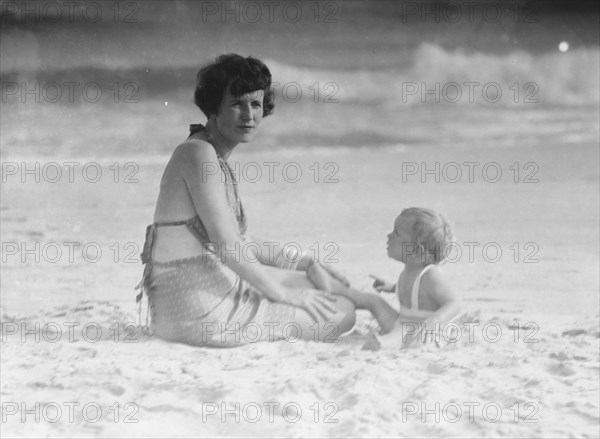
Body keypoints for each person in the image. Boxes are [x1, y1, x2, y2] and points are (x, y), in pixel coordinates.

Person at [136, 54, 355, 347]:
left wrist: (305, 261)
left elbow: (239, 240)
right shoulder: (198, 155)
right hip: (201, 316)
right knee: (343, 312)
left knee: (327, 288)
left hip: (198, 300)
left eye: (255, 104)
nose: (249, 115)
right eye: (236, 103)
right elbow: (228, 246)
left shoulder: (208, 153)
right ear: (214, 108)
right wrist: (283, 294)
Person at [307, 207, 460, 348]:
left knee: (400, 336)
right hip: (401, 323)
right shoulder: (411, 270)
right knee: (374, 300)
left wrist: (435, 321)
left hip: (421, 333)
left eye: (396, 233)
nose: (389, 235)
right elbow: (417, 293)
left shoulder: (430, 275)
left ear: (415, 250)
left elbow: (453, 303)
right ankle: (335, 288)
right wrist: (392, 287)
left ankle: (381, 344)